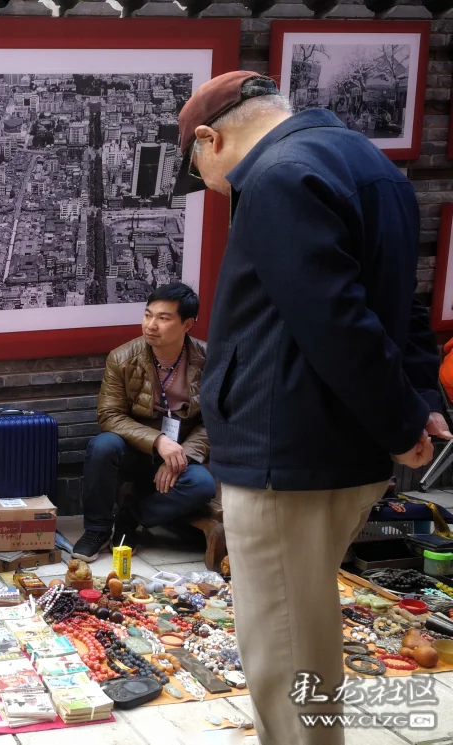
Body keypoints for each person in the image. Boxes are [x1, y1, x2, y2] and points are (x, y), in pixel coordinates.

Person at [172, 70, 450, 745]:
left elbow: (336, 320)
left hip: (286, 448)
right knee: (307, 618)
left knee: (285, 641)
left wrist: (401, 418)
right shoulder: (366, 162)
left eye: (200, 172)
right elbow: (400, 304)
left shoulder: (276, 177)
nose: (212, 188)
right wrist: (416, 403)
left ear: (209, 138)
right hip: (339, 446)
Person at [71, 282, 219, 563]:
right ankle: (97, 529)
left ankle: (131, 517)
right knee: (102, 446)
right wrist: (158, 442)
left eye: (163, 318)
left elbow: (214, 421)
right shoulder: (122, 357)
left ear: (187, 324)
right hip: (132, 449)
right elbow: (109, 415)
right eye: (148, 315)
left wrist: (180, 456)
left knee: (202, 486)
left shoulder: (208, 359)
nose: (151, 325)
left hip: (179, 452)